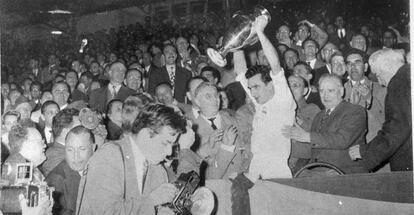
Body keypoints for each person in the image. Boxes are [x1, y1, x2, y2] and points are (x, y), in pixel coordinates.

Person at [76, 104, 196, 215]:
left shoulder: (158, 170)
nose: (169, 151)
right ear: (145, 134)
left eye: (172, 145)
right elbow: (104, 211)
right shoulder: (110, 156)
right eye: (166, 143)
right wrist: (151, 201)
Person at [234, 15, 296, 180]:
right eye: (251, 88)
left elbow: (275, 64)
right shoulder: (259, 99)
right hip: (255, 173)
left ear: (270, 85)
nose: (252, 93)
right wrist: (237, 43)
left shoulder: (283, 100)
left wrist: (260, 32)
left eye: (256, 87)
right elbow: (240, 71)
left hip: (277, 175)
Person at [283, 74, 367, 174]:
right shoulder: (319, 116)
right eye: (322, 91)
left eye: (330, 91)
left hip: (344, 173)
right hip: (318, 171)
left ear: (341, 91)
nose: (325, 95)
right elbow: (313, 150)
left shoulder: (354, 111)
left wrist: (307, 136)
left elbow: (342, 140)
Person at [349, 49, 411, 172]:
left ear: (387, 66)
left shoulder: (399, 83)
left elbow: (397, 128)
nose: (381, 82)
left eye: (378, 74)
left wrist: (366, 152)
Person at [192, 82, 251, 179]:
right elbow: (203, 171)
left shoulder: (232, 117)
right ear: (198, 102)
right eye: (208, 96)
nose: (215, 99)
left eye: (216, 96)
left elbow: (247, 146)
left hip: (243, 179)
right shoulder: (192, 130)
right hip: (218, 186)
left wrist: (244, 171)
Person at [46, 126, 96, 215]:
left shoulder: (102, 170)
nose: (75, 156)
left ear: (93, 148)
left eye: (82, 149)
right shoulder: (56, 181)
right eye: (70, 150)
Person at [287, 75, 320, 173]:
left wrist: (299, 122)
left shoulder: (312, 109)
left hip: (302, 161)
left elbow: (318, 134)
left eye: (295, 86)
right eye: (288, 86)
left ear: (305, 91)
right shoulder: (276, 110)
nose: (290, 89)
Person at [42, 108, 81, 176]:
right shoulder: (55, 156)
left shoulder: (64, 151)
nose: (84, 133)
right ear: (65, 130)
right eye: (79, 129)